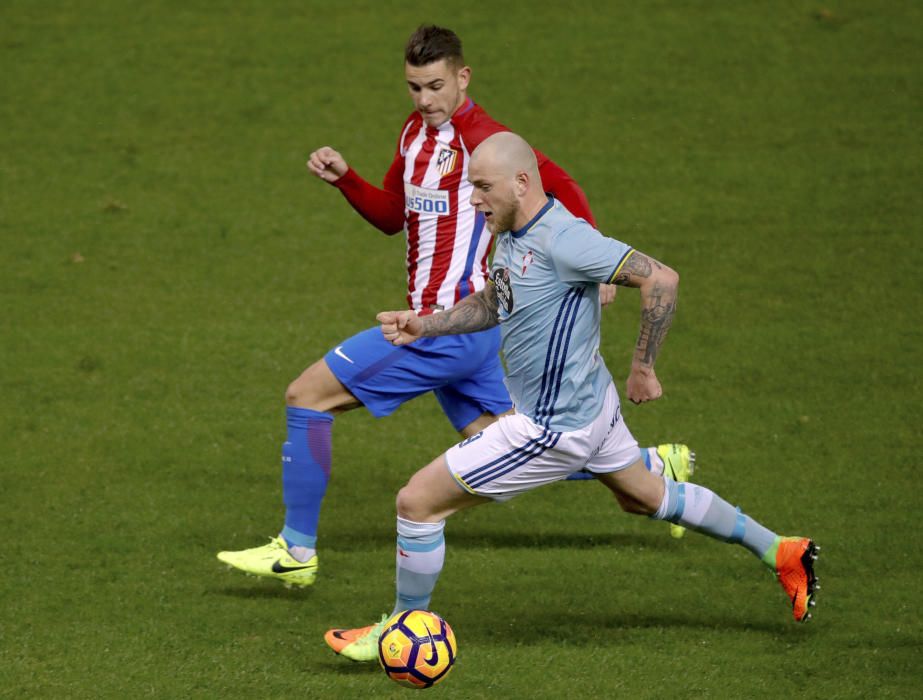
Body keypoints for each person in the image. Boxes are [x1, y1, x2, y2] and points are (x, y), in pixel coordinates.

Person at [216, 26, 693, 588]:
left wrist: (595, 258)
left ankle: (296, 551)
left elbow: (559, 182)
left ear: (463, 77)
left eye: (436, 86)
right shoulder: (413, 135)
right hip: (458, 329)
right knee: (505, 439)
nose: (425, 100)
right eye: (414, 88)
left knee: (306, 396)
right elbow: (394, 215)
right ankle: (654, 467)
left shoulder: (485, 139)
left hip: (450, 326)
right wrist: (347, 181)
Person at [323, 132, 820, 661]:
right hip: (592, 406)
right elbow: (496, 300)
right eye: (471, 187)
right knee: (644, 496)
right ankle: (782, 550)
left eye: (483, 187)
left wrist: (644, 368)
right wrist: (423, 326)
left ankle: (398, 633)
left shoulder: (564, 238)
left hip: (552, 427)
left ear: (521, 182)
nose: (473, 200)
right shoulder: (511, 228)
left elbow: (662, 280)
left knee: (416, 503)